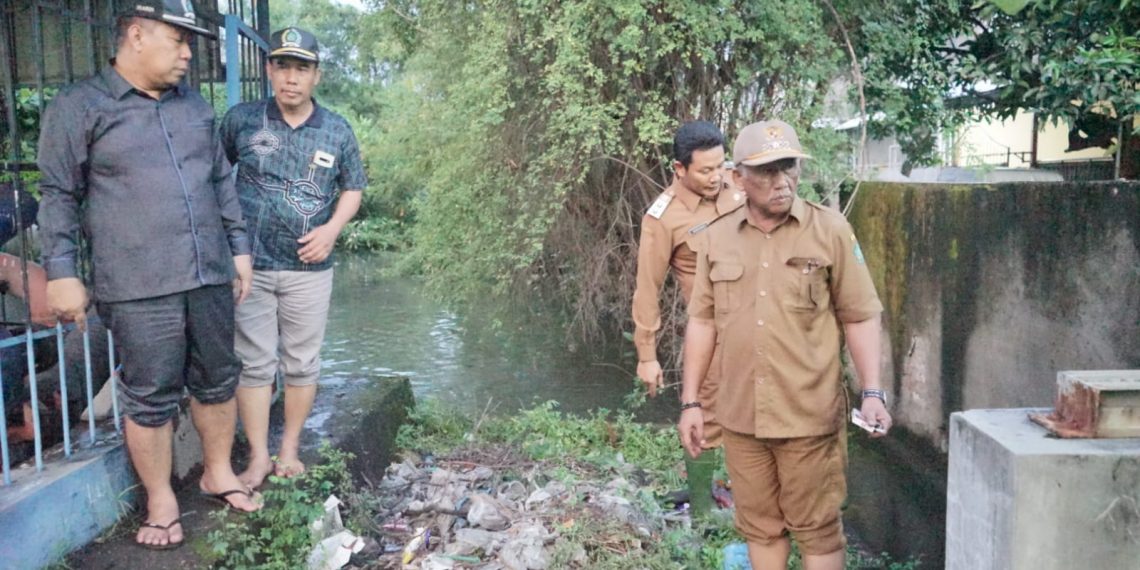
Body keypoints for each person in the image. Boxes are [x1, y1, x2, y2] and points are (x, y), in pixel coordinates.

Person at [37, 0, 259, 550]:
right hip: (137, 283)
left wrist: (238, 248)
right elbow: (58, 195)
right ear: (136, 35)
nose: (187, 54)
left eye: (190, 43)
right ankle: (160, 499)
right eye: (177, 40)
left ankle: (217, 473)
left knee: (218, 378)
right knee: (150, 394)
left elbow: (220, 180)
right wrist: (61, 270)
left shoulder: (194, 106)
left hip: (207, 271)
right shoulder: (79, 107)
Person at [677, 119, 891, 570]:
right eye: (767, 170)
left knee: (819, 532)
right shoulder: (717, 237)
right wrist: (692, 402)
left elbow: (859, 314)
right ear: (738, 178)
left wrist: (873, 392)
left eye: (789, 166)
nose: (782, 181)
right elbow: (703, 322)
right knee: (761, 528)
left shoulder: (830, 230)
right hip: (741, 419)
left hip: (808, 418)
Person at [219, 27, 366, 489]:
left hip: (309, 268)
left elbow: (353, 188)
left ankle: (289, 450)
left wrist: (331, 229)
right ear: (269, 70)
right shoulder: (242, 121)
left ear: (316, 75)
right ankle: (258, 456)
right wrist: (230, 246)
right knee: (253, 364)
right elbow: (215, 179)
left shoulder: (336, 129)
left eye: (302, 68)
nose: (291, 78)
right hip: (251, 266)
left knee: (301, 363)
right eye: (283, 66)